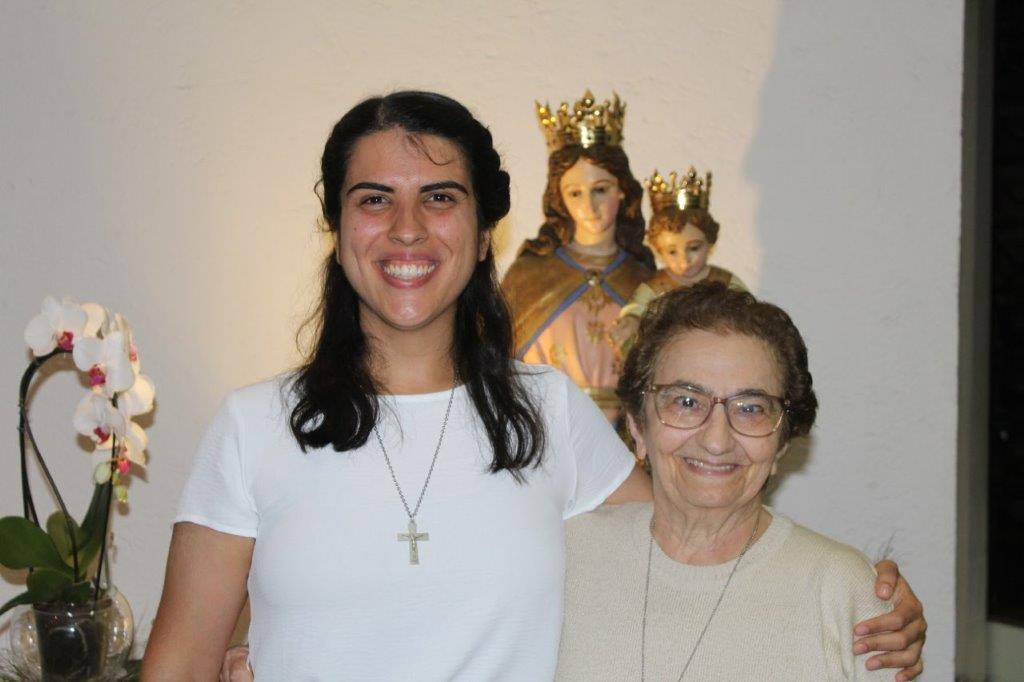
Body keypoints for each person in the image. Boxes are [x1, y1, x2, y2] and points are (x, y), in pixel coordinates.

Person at [142, 91, 923, 681]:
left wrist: (862, 596)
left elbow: (702, 534)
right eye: (374, 199)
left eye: (439, 198)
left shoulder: (547, 411)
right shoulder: (254, 426)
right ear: (339, 230)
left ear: (485, 235)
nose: (407, 228)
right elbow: (179, 664)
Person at [556, 282, 926, 681]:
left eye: (751, 408)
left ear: (782, 444)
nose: (717, 440)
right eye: (686, 402)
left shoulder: (846, 594)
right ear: (637, 427)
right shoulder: (561, 557)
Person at [501, 90, 654, 421]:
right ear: (559, 198)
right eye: (575, 193)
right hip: (546, 429)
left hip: (626, 438)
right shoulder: (528, 276)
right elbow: (494, 367)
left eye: (600, 189)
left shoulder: (645, 282)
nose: (589, 206)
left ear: (622, 190)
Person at [610, 167, 746, 357]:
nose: (684, 260)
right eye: (672, 252)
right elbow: (636, 309)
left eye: (694, 248)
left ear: (710, 243)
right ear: (658, 251)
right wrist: (632, 320)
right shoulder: (656, 286)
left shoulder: (725, 281)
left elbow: (748, 313)